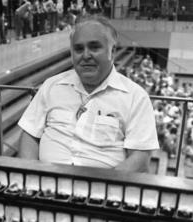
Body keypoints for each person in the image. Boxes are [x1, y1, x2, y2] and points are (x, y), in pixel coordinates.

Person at [17, 14, 159, 172]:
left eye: (94, 47)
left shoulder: (135, 97)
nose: (85, 55)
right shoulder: (51, 86)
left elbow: (140, 159)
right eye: (78, 49)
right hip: (46, 187)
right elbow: (29, 134)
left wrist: (100, 187)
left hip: (103, 190)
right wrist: (31, 177)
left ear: (113, 50)